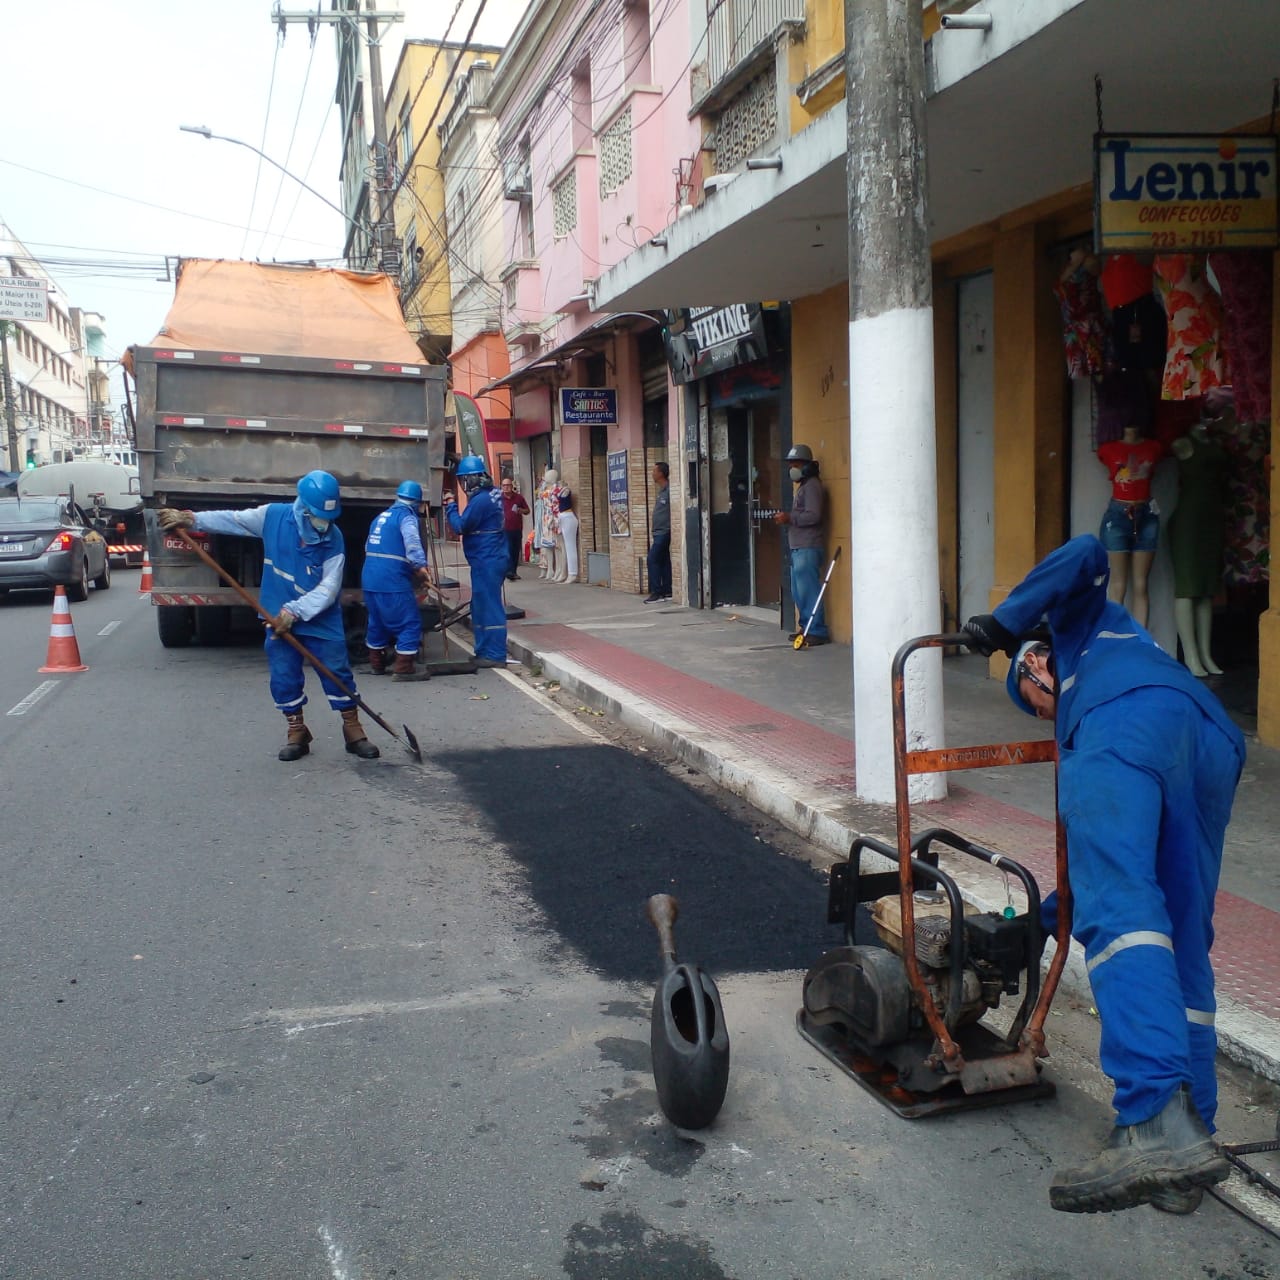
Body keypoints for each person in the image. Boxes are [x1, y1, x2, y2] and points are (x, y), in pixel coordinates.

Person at [963, 533, 1244, 1216]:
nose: (1046, 717)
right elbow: (1121, 864)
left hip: (1127, 722)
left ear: (1035, 665)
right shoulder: (1132, 643)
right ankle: (1190, 1143)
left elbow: (1089, 550)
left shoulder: (1075, 627)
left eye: (1034, 704)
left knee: (1120, 917)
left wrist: (1005, 621)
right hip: (1208, 736)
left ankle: (1152, 1116)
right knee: (1178, 931)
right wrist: (1042, 923)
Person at [156, 471, 380, 762]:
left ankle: (353, 729)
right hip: (277, 616)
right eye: (317, 516)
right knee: (284, 674)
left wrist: (295, 611)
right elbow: (233, 520)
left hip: (319, 616)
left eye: (327, 518)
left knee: (337, 671)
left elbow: (329, 588)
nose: (322, 524)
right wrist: (192, 519)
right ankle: (297, 730)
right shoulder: (273, 517)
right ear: (303, 507)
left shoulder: (333, 538)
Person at [1169, 421, 1229, 677]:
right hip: (1189, 521)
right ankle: (1191, 655)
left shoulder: (1214, 442)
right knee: (1188, 587)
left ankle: (1206, 654)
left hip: (1212, 519)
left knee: (1206, 589)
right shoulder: (1183, 444)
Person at [1096, 425, 1165, 627]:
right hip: (1118, 514)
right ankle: (1114, 636)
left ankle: (1140, 639)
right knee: (1118, 584)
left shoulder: (1154, 447)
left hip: (1146, 514)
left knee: (1141, 584)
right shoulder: (1108, 449)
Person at [444, 455, 508, 668]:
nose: (464, 485)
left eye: (464, 480)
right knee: (480, 605)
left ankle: (495, 654)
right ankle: (483, 651)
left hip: (487, 558)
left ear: (471, 479)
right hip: (488, 557)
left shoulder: (480, 500)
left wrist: (451, 506)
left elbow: (461, 526)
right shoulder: (492, 493)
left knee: (489, 606)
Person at [362, 479, 431, 678]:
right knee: (409, 622)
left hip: (369, 578)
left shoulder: (380, 517)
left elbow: (369, 547)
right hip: (391, 579)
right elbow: (412, 542)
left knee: (377, 621)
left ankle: (376, 663)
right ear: (416, 502)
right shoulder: (406, 518)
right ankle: (403, 668)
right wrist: (420, 567)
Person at [774, 444, 828, 645]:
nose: (792, 469)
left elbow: (814, 515)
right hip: (799, 546)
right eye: (791, 465)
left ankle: (817, 630)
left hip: (808, 546)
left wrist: (790, 518)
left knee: (809, 590)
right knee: (800, 591)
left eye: (795, 465)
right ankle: (806, 627)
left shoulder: (812, 486)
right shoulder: (804, 486)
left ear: (806, 465)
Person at [644, 461, 671, 604]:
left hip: (664, 532)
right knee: (664, 560)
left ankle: (656, 592)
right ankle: (667, 590)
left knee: (652, 559)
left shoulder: (669, 491)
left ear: (661, 473)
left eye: (654, 471)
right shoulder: (661, 491)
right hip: (658, 532)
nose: (652, 474)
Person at [499, 476, 530, 582]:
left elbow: (527, 510)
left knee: (515, 551)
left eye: (508, 485)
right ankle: (509, 571)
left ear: (512, 486)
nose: (506, 487)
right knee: (507, 550)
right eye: (504, 485)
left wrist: (521, 510)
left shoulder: (519, 498)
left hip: (517, 528)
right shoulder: (499, 498)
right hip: (504, 529)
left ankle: (513, 571)